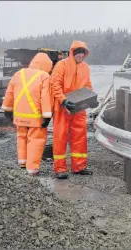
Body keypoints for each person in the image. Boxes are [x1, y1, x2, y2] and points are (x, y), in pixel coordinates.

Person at [1, 53, 53, 176]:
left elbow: (9, 92)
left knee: (21, 137)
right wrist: (47, 116)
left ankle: (22, 162)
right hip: (35, 117)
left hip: (19, 116)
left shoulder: (18, 73)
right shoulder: (44, 76)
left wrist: (7, 110)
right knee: (36, 140)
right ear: (46, 66)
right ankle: (32, 169)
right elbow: (46, 97)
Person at [50, 40, 95, 179]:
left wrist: (92, 99)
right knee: (60, 137)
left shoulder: (86, 67)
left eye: (83, 52)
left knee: (80, 137)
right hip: (63, 107)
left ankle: (79, 166)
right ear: (72, 52)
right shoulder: (61, 65)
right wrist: (63, 100)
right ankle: (60, 168)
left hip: (79, 109)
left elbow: (87, 86)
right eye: (78, 52)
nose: (81, 55)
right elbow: (54, 84)